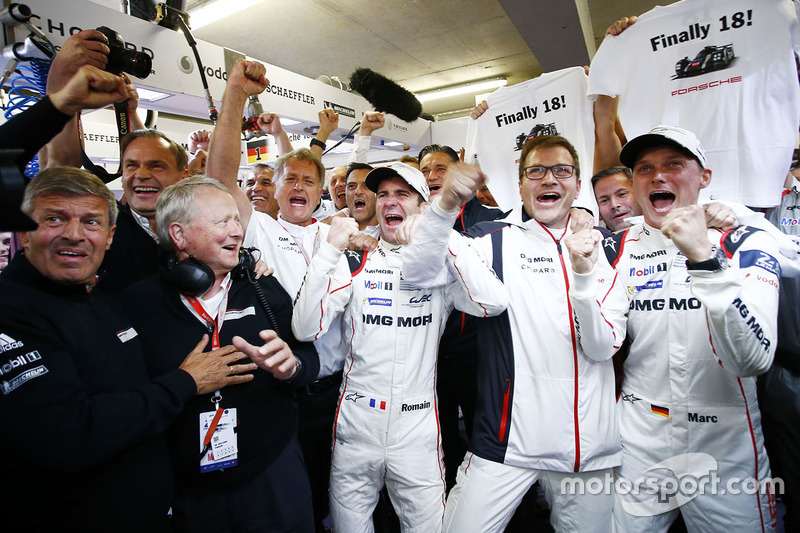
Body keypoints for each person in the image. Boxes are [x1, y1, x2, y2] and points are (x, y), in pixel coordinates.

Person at [0, 167, 255, 531]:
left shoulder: (103, 301)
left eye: (91, 222)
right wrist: (184, 382)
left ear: (109, 236)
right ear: (25, 232)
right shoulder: (10, 311)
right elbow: (68, 435)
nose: (74, 234)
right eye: (55, 218)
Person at [403, 135, 628, 532]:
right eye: (535, 171)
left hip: (588, 450)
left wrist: (583, 275)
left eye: (562, 170)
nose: (548, 180)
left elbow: (601, 345)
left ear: (576, 184)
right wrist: (444, 209)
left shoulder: (605, 247)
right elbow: (418, 274)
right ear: (520, 184)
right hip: (505, 441)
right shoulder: (492, 238)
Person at [291, 162, 508, 532]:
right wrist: (330, 250)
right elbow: (306, 328)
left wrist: (439, 228)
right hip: (357, 421)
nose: (390, 201)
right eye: (384, 194)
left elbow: (492, 302)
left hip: (417, 425)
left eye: (403, 194)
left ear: (421, 205)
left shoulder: (442, 262)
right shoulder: (355, 260)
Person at [205, 59, 363, 532]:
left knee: (340, 495)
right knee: (289, 500)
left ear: (320, 195)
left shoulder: (342, 235)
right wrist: (234, 97)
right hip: (281, 391)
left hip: (340, 392)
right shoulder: (260, 228)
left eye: (308, 181)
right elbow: (218, 176)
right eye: (288, 179)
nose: (298, 186)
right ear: (272, 189)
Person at [121, 176, 320, 532]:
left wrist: (293, 367)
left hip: (271, 471)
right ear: (179, 236)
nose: (237, 231)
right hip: (188, 488)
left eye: (236, 219)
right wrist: (183, 382)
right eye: (221, 222)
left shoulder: (262, 287)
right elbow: (126, 399)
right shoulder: (138, 304)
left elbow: (309, 359)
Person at [608, 125, 779, 531]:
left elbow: (754, 358)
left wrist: (705, 259)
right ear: (634, 184)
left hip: (725, 439)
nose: (658, 176)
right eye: (645, 168)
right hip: (639, 435)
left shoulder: (744, 240)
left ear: (704, 178)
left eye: (674, 164)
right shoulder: (613, 248)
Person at [418, 143, 505, 493]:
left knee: (484, 441)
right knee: (439, 440)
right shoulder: (417, 218)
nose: (431, 176)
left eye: (440, 168)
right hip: (431, 357)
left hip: (480, 356)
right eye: (425, 170)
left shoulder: (491, 219)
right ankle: (446, 499)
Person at [591, 166, 640, 232]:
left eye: (622, 194)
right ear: (598, 213)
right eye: (604, 201)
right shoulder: (597, 240)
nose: (614, 205)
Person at [344, 162, 378, 236]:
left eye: (366, 186)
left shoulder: (395, 234)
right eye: (352, 186)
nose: (358, 192)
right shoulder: (328, 232)